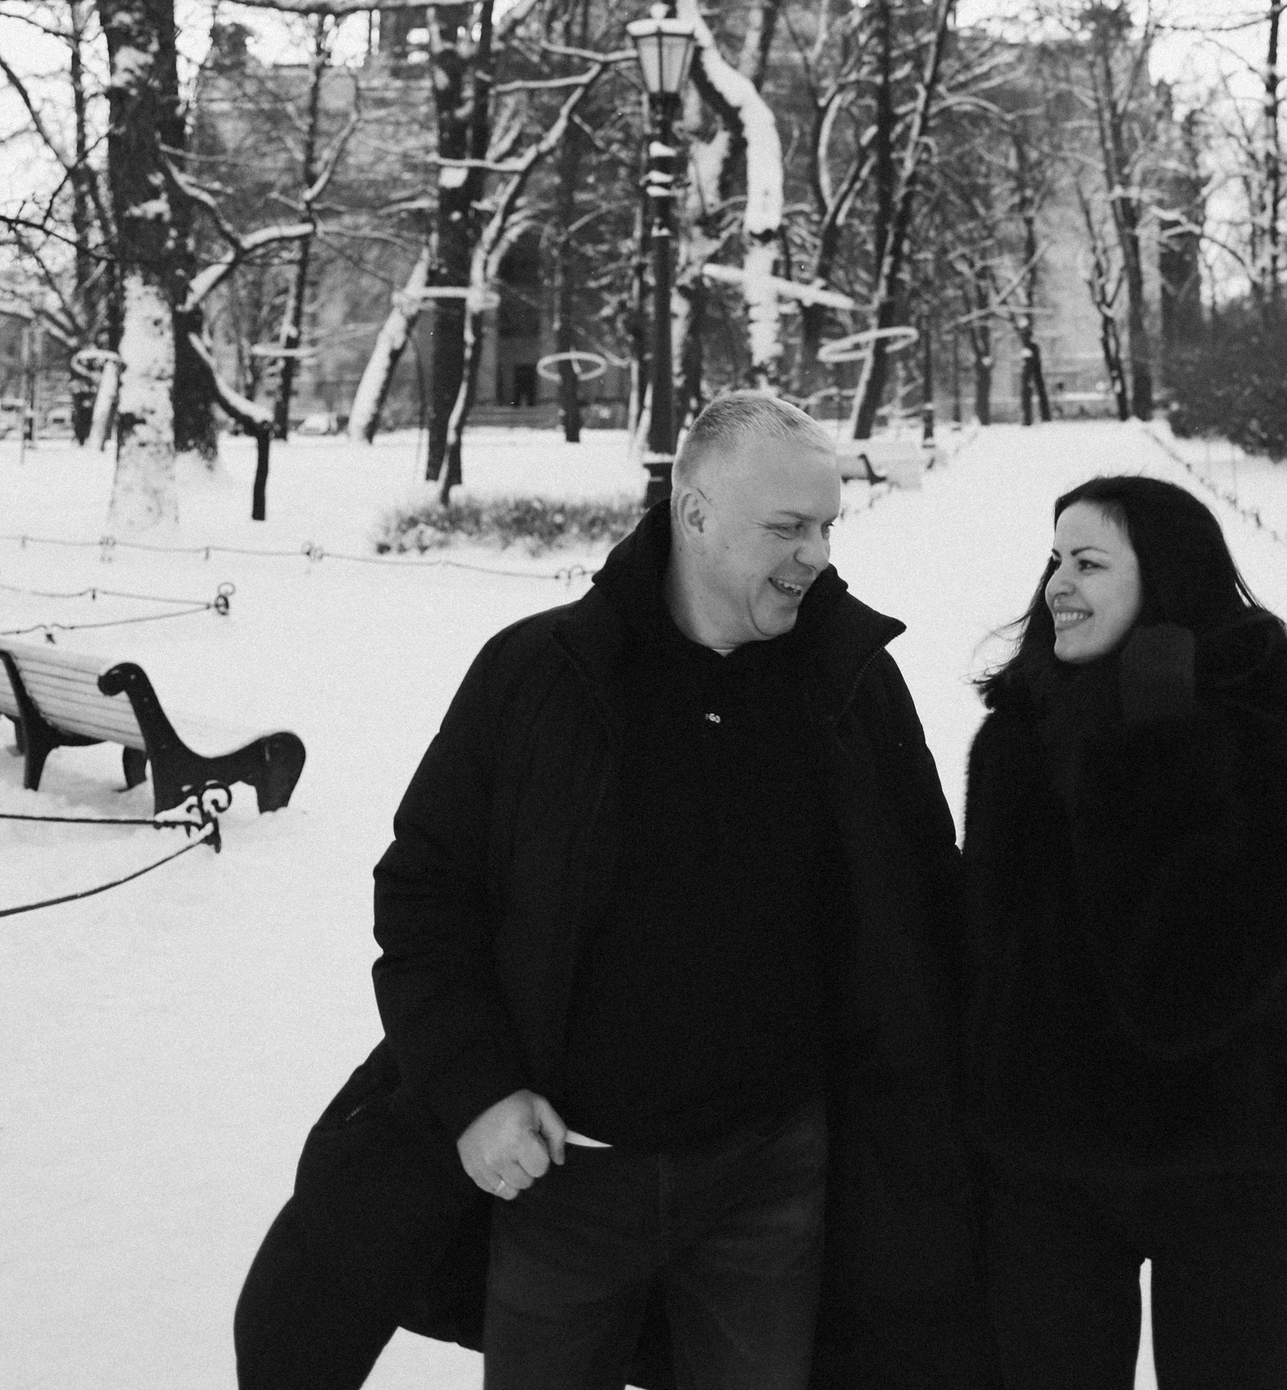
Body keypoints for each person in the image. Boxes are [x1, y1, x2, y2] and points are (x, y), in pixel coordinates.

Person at [234, 390, 992, 1390]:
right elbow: (425, 898)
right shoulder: (541, 676)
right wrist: (477, 1095)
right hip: (567, 1181)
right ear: (695, 513)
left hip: (773, 1185)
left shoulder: (850, 685)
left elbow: (923, 904)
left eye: (826, 526)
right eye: (788, 527)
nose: (817, 555)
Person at [961, 474, 1287, 1390]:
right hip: (1050, 1173)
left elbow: (1188, 985)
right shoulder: (1019, 737)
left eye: (1089, 563)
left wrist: (1155, 745)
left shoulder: (1253, 725)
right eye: (1054, 560)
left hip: (1228, 1155)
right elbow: (987, 957)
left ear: (1163, 578)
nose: (1057, 585)